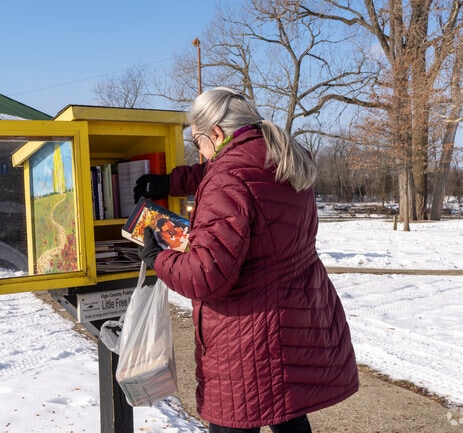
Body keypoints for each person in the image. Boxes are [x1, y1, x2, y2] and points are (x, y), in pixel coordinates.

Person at [134, 87, 359, 433]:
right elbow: (218, 173)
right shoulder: (280, 154)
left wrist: (157, 257)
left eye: (198, 141)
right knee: (288, 409)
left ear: (218, 134)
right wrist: (169, 182)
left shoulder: (227, 179)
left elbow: (205, 276)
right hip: (296, 317)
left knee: (239, 417)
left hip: (247, 336)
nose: (201, 151)